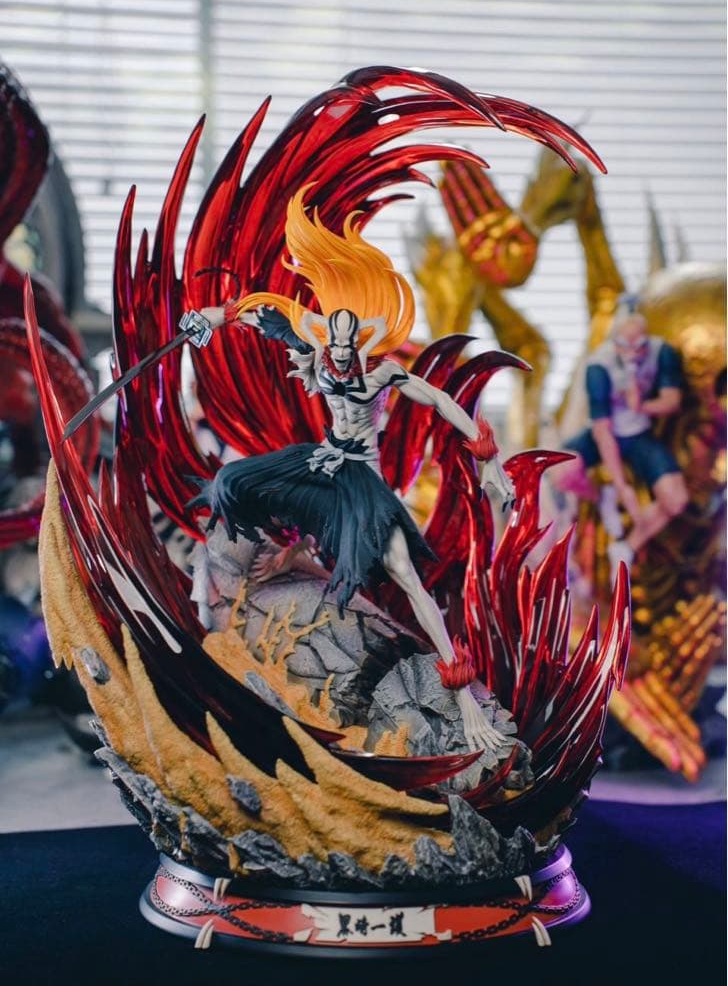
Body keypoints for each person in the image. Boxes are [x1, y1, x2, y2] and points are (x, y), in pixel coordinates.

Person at [181, 187, 516, 754]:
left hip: (361, 479)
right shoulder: (319, 344)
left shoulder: (383, 373)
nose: (337, 354)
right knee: (233, 483)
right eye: (330, 343)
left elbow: (439, 400)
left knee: (404, 574)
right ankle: (288, 555)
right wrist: (209, 318)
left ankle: (461, 696)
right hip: (321, 461)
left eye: (345, 345)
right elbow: (261, 315)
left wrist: (484, 452)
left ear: (361, 340)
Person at [557, 300, 688, 581]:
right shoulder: (598, 366)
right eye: (623, 346)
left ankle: (627, 546)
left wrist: (641, 406)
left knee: (676, 499)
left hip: (639, 432)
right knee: (561, 470)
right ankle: (597, 501)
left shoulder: (661, 352)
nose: (631, 354)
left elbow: (672, 400)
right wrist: (622, 486)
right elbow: (602, 431)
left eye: (638, 347)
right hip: (604, 433)